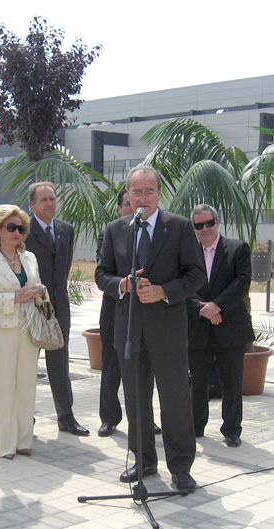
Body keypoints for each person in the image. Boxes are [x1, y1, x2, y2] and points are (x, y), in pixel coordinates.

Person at [95, 166, 206, 493]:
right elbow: (101, 275)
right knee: (136, 402)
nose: (142, 198)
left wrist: (164, 291)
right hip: (128, 332)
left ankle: (181, 467)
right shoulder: (116, 229)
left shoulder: (180, 227)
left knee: (175, 402)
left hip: (168, 332)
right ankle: (143, 461)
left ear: (159, 193)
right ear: (127, 194)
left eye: (149, 191)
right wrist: (122, 284)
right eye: (136, 192)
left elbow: (196, 275)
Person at [0, 204, 46, 459]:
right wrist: (14, 298)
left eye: (21, 228)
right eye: (11, 227)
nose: (17, 232)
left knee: (27, 386)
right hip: (0, 330)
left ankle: (24, 440)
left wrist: (39, 291)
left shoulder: (30, 258)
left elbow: (36, 285)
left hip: (28, 329)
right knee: (3, 389)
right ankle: (5, 445)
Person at [24, 182, 89, 436]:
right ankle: (25, 418)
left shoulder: (66, 230)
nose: (50, 203)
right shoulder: (23, 229)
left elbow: (63, 269)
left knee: (60, 364)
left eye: (52, 198)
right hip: (31, 307)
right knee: (28, 365)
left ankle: (66, 417)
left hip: (58, 307)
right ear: (32, 204)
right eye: (44, 200)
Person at [187, 204, 254, 447]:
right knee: (198, 380)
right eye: (199, 225)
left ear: (218, 221)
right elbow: (182, 286)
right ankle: (196, 427)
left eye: (209, 223)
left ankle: (232, 429)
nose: (204, 229)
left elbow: (242, 283)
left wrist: (217, 306)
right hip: (198, 327)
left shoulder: (237, 249)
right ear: (193, 227)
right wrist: (204, 310)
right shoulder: (186, 252)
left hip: (231, 327)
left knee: (232, 380)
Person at [96, 189, 133, 436]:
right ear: (119, 208)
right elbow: (103, 272)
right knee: (111, 367)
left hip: (145, 312)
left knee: (142, 371)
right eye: (127, 204)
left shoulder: (154, 235)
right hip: (114, 309)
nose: (133, 208)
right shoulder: (109, 233)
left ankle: (142, 418)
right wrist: (124, 284)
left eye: (136, 202)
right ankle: (109, 418)